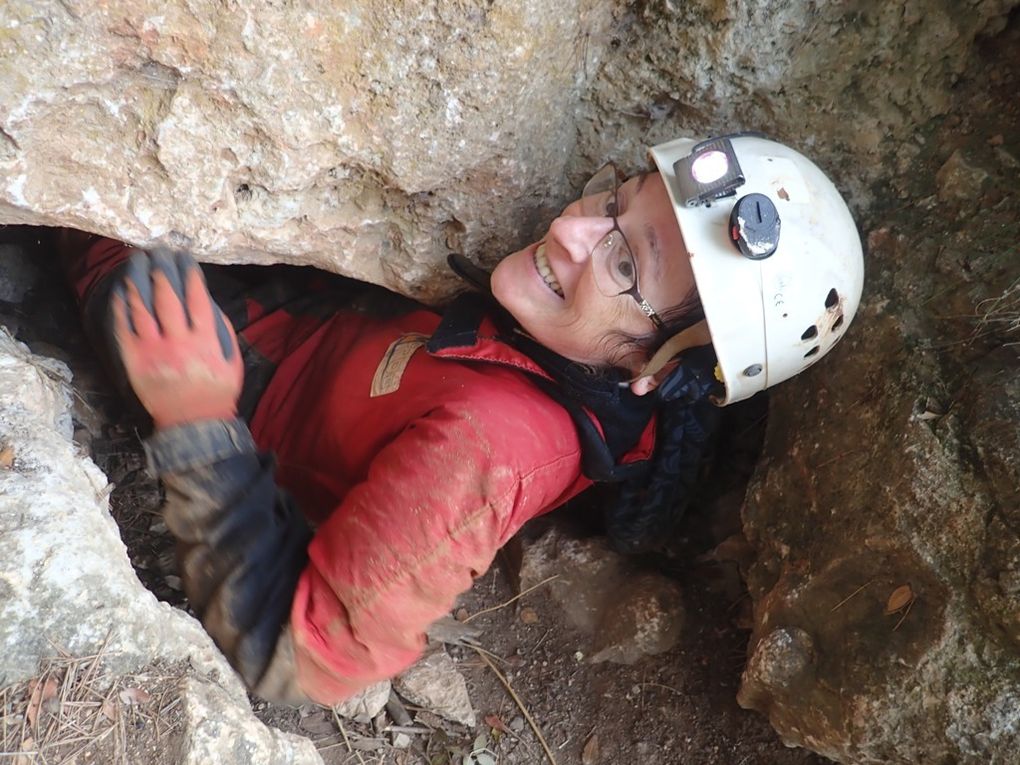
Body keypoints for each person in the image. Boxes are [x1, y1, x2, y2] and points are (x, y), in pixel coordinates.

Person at [65, 133, 863, 705]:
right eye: (614, 203)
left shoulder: (488, 449)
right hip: (308, 329)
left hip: (239, 390)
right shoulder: (575, 353)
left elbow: (301, 660)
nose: (573, 230)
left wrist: (196, 418)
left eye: (624, 262)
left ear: (659, 373)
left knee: (82, 202)